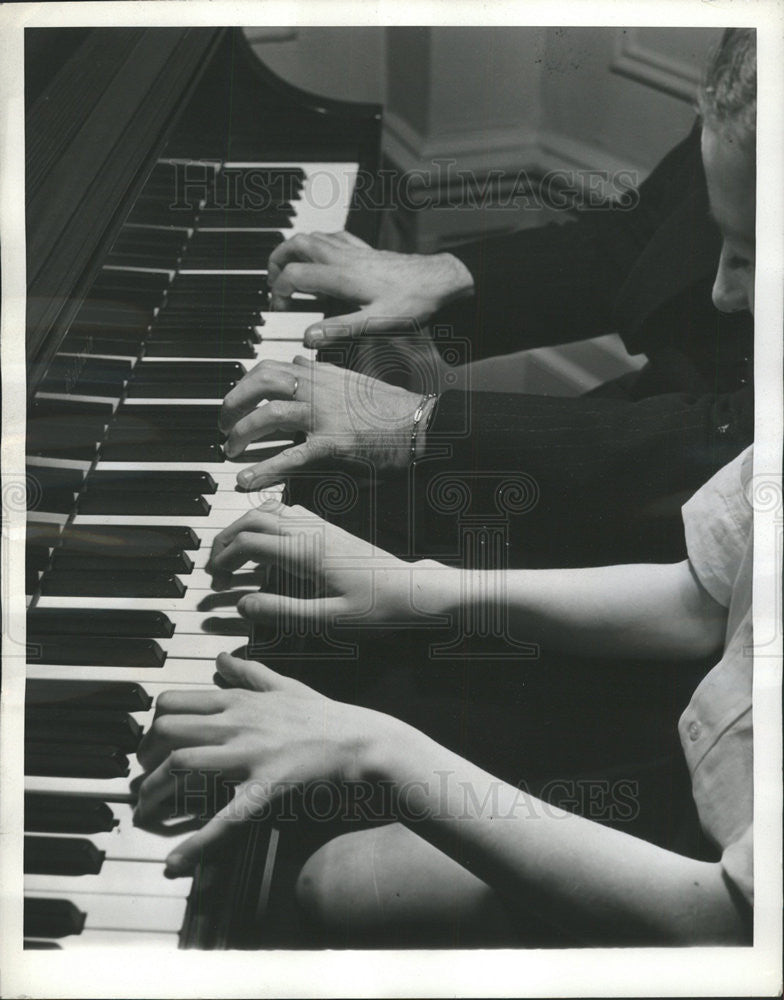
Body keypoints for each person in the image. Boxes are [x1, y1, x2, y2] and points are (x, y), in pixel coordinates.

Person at [134, 32, 758, 944]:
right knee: (342, 613)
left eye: (756, 252)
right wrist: (417, 587)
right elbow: (707, 591)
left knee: (334, 875)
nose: (722, 294)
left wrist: (378, 748)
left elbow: (730, 918)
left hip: (710, 862)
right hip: (712, 725)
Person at [219, 28, 755, 571]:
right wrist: (446, 272)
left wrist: (418, 424)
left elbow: (732, 442)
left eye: (756, 256)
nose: (722, 293)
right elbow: (651, 236)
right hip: (661, 416)